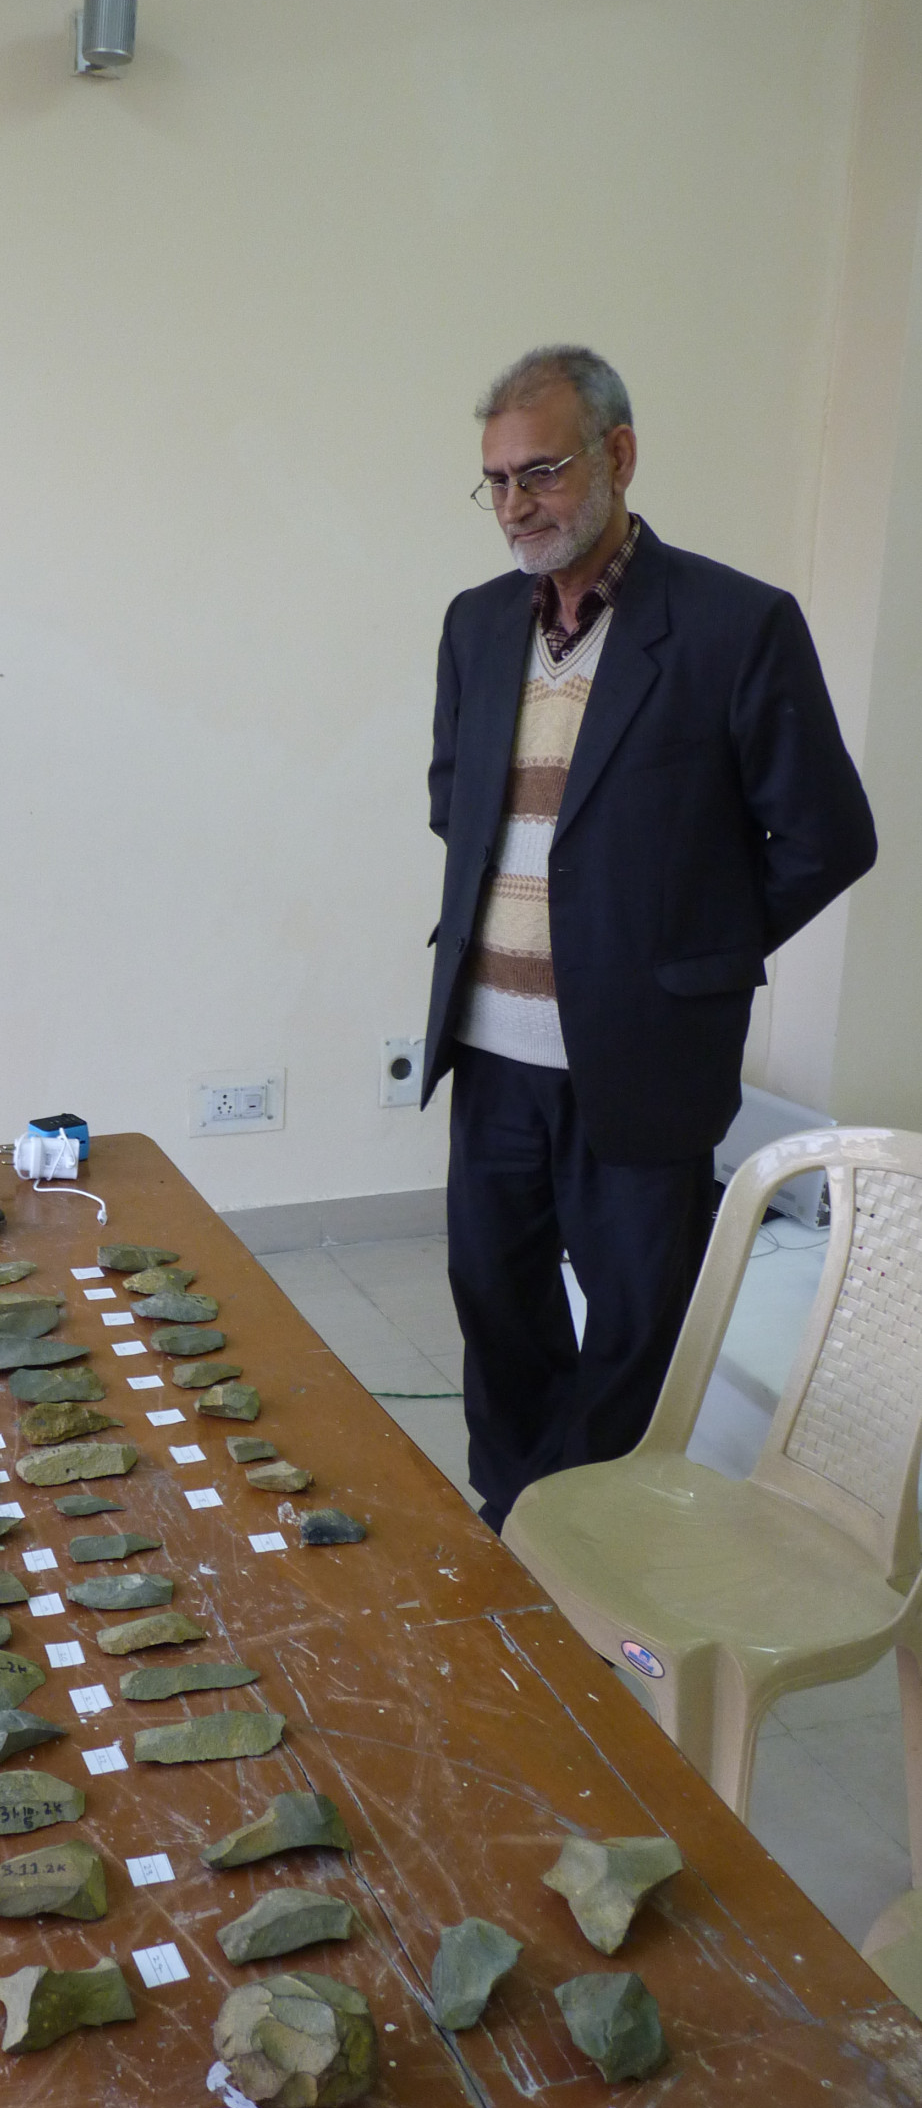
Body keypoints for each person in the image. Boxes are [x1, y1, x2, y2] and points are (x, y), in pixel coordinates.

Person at [421, 347, 876, 1534]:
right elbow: (452, 799)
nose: (518, 505)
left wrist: (690, 955)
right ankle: (518, 1518)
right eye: (498, 481)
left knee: (635, 1320)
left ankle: (592, 1529)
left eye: (544, 472)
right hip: (493, 1045)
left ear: (618, 455)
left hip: (643, 1052)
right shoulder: (476, 628)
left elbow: (827, 835)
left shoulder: (734, 625)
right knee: (496, 1298)